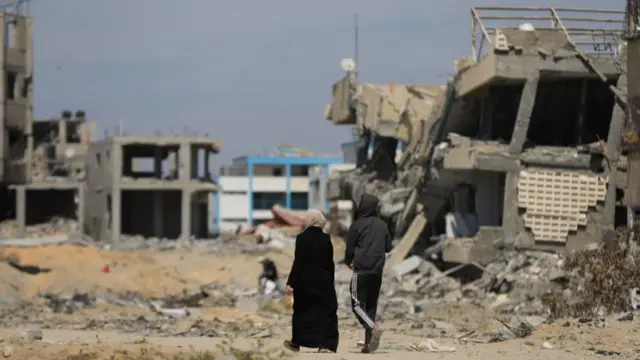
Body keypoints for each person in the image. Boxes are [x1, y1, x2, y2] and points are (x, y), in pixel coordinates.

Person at [283, 209, 339, 353]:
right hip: (323, 281)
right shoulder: (326, 238)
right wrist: (330, 281)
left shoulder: (301, 238)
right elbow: (329, 263)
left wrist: (291, 282)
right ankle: (326, 345)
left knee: (302, 312)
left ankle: (296, 342)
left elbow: (298, 262)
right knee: (325, 313)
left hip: (305, 283)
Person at [344, 193, 392, 353]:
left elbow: (349, 249)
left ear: (364, 206)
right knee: (371, 307)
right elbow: (388, 248)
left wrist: (348, 262)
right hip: (377, 272)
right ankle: (368, 344)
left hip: (361, 271)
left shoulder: (357, 225)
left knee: (357, 305)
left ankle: (372, 327)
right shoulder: (383, 225)